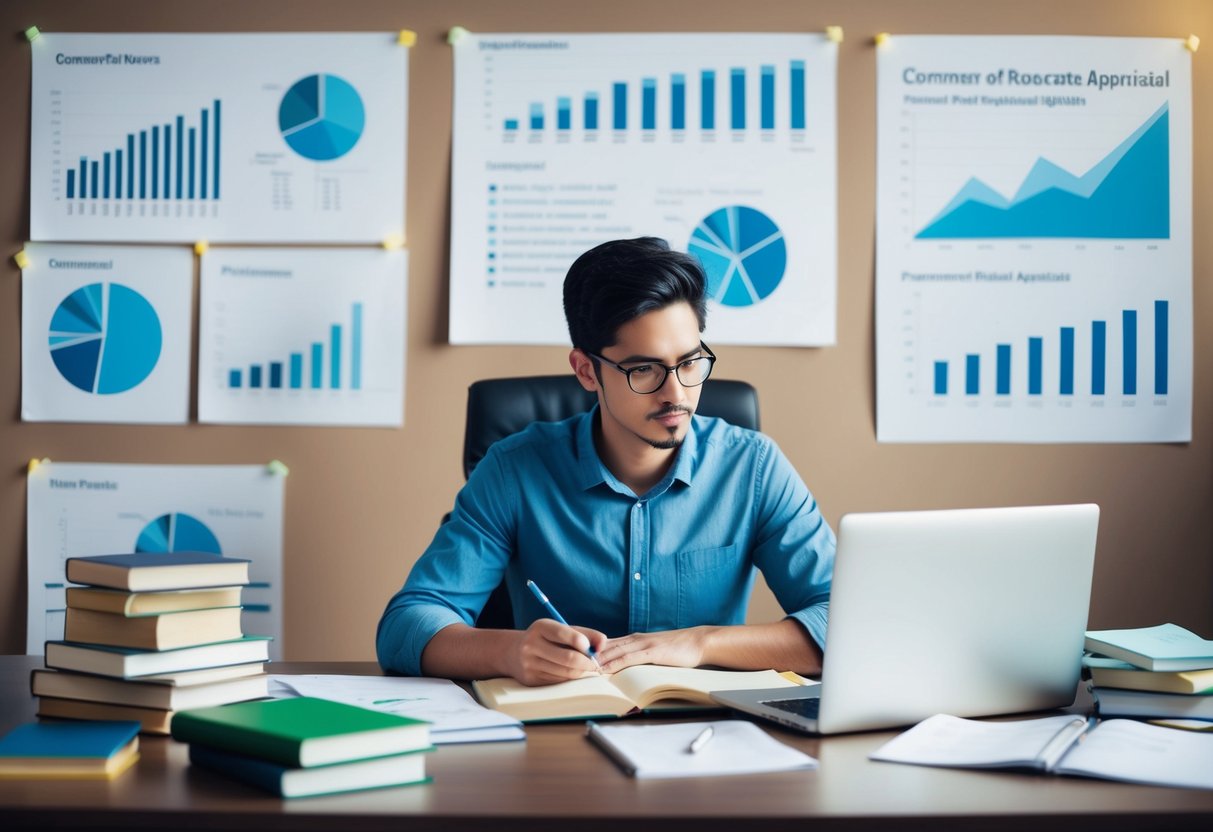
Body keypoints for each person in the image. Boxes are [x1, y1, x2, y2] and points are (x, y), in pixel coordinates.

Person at [377, 237, 835, 685]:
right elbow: (407, 624)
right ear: (585, 370)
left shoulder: (753, 468)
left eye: (690, 362)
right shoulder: (514, 469)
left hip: (705, 736)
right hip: (558, 739)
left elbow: (844, 618)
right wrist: (512, 651)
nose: (676, 394)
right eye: (643, 370)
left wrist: (702, 643)